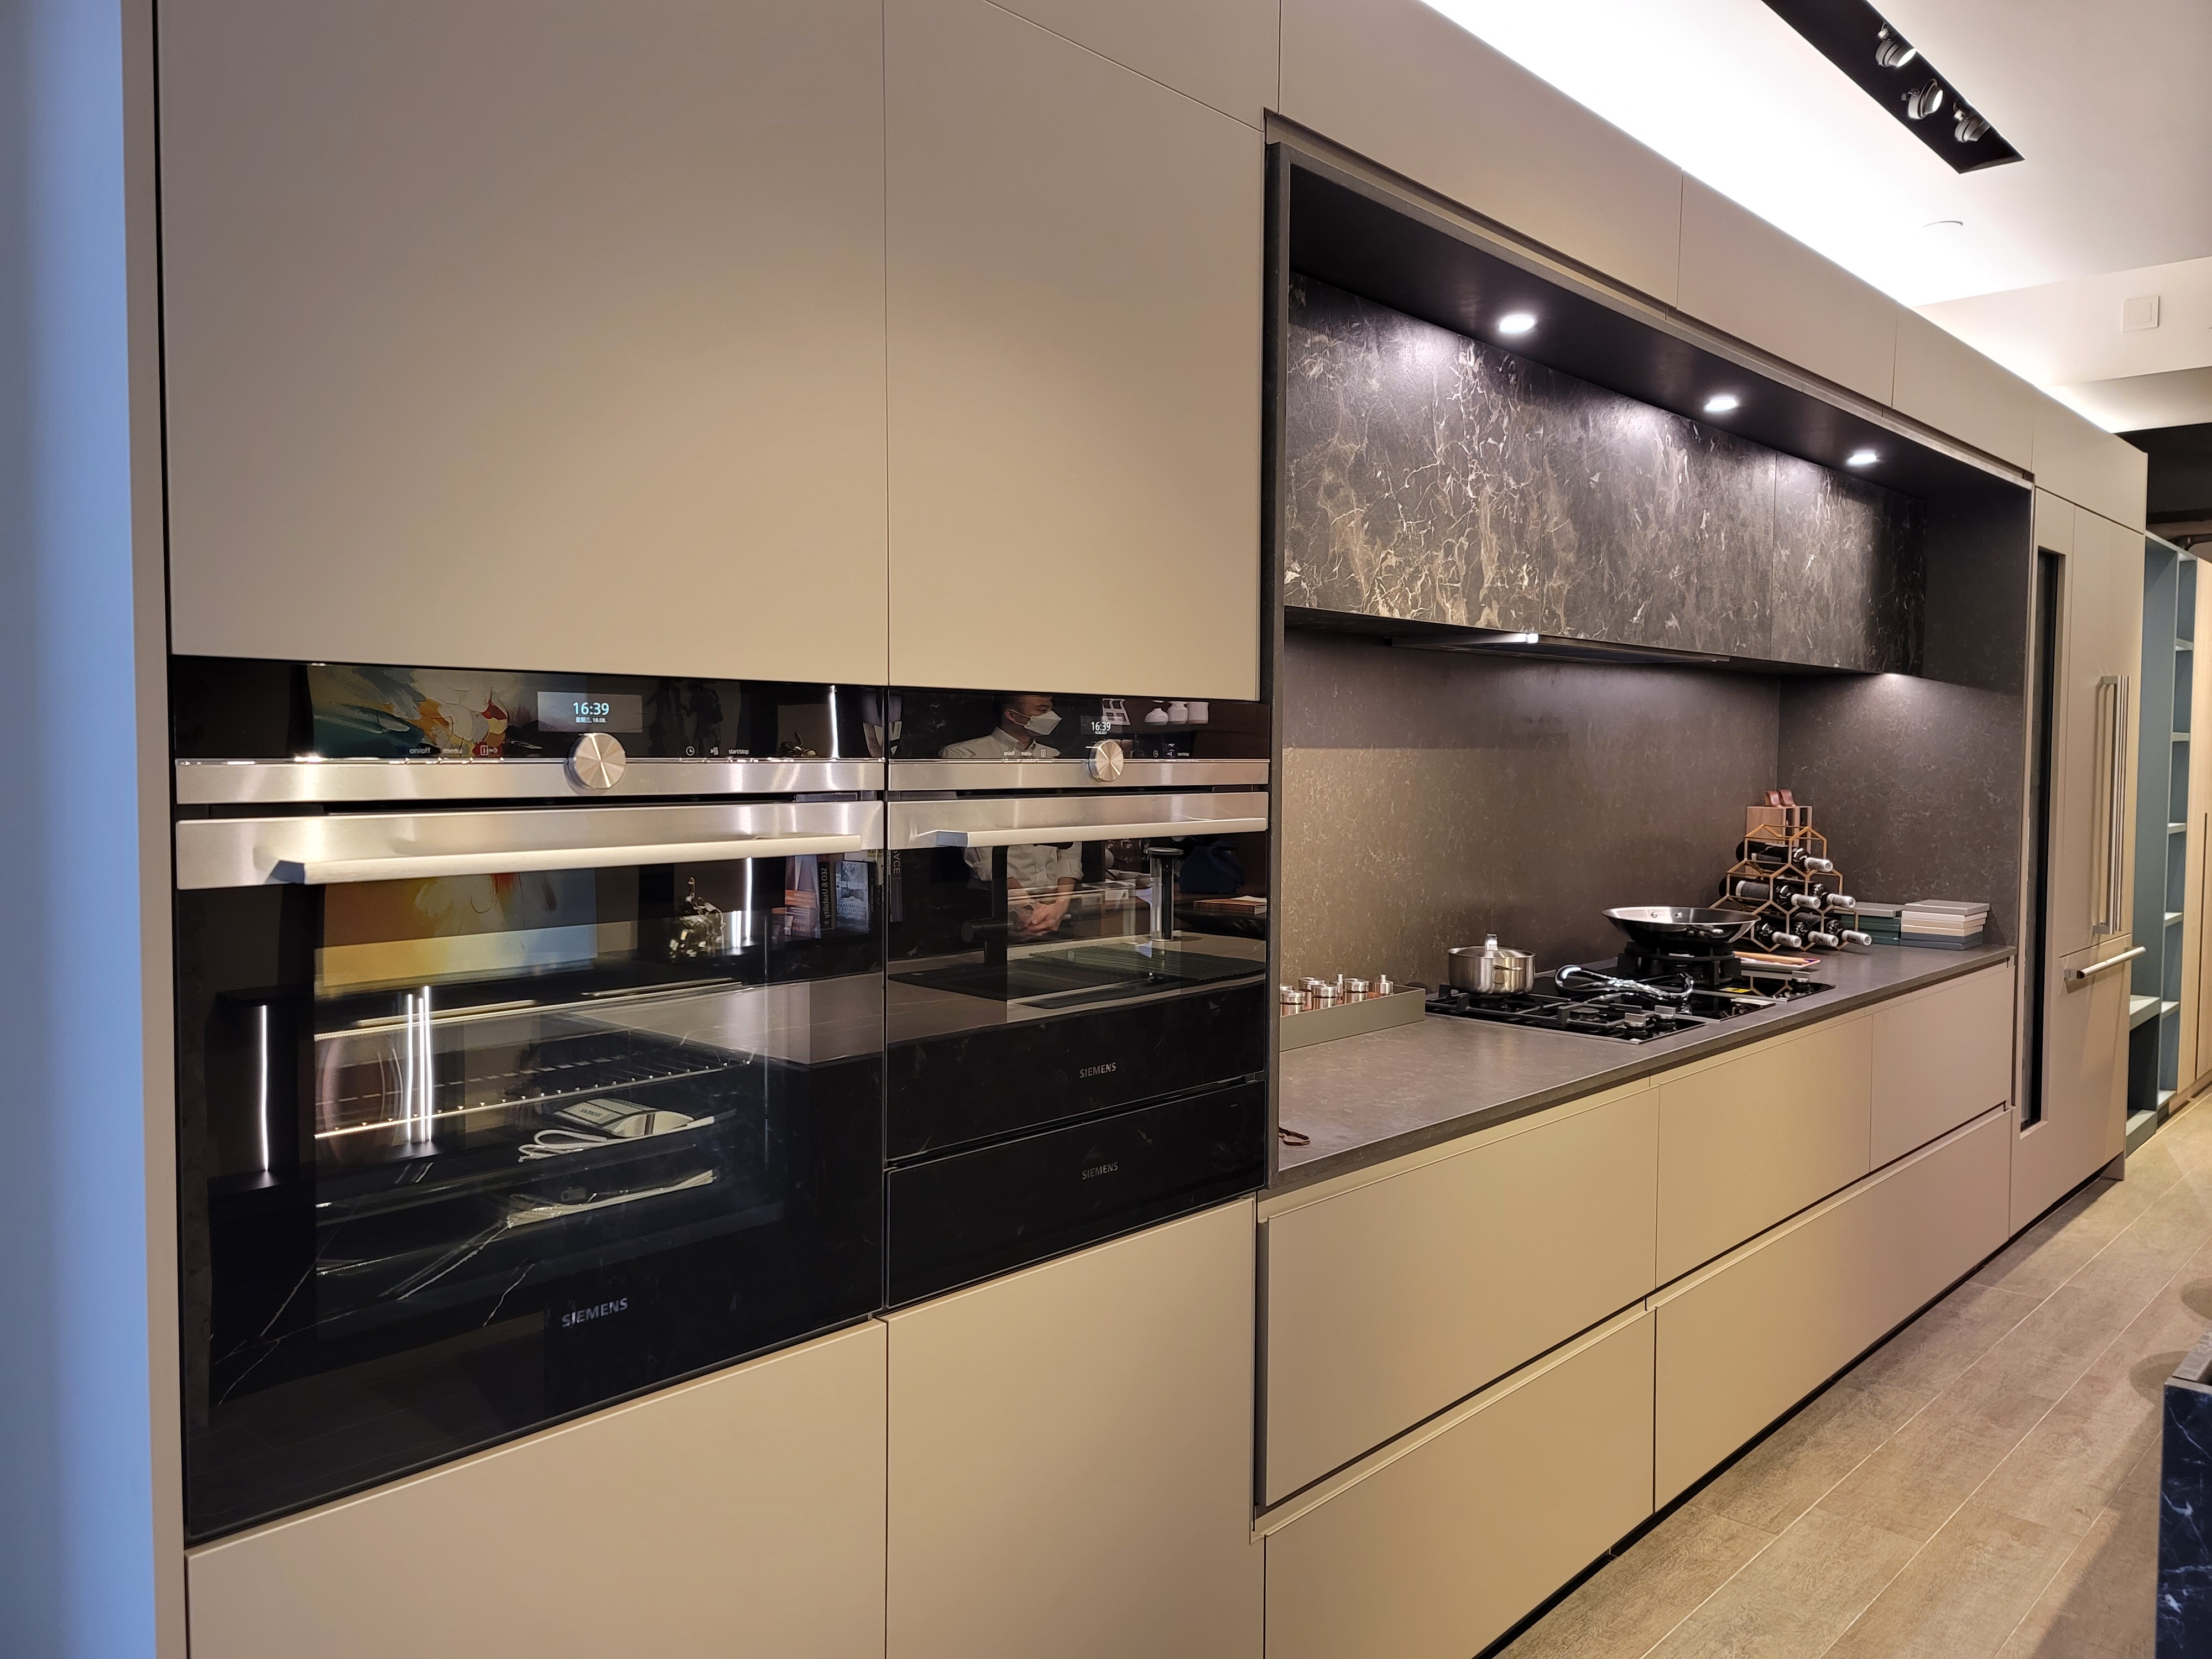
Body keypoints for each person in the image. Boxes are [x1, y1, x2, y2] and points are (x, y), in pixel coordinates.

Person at [941, 693, 1082, 940]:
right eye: (1042, 710)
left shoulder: (1055, 758)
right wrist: (1024, 905)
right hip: (992, 901)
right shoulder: (965, 756)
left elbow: (1070, 834)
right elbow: (977, 840)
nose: (1051, 716)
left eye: (1051, 709)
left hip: (1053, 909)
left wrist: (1060, 905)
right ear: (1012, 715)